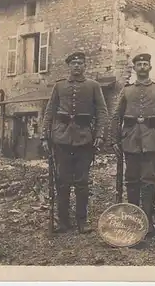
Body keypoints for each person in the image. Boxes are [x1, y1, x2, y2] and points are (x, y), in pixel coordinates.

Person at [108, 53, 155, 238]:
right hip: (130, 141)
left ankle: (147, 220)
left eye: (146, 64)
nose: (143, 67)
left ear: (150, 67)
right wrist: (114, 140)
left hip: (152, 141)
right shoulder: (127, 90)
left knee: (148, 181)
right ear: (135, 68)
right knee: (131, 180)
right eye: (139, 64)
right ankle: (133, 219)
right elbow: (116, 116)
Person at [40, 51, 108, 234]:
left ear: (85, 66)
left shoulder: (93, 86)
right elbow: (49, 112)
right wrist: (45, 137)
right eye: (73, 63)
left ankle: (82, 221)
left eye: (80, 63)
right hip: (61, 139)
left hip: (85, 139)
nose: (77, 66)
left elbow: (102, 112)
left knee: (82, 182)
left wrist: (100, 135)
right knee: (62, 181)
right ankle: (63, 221)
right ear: (68, 66)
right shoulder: (59, 86)